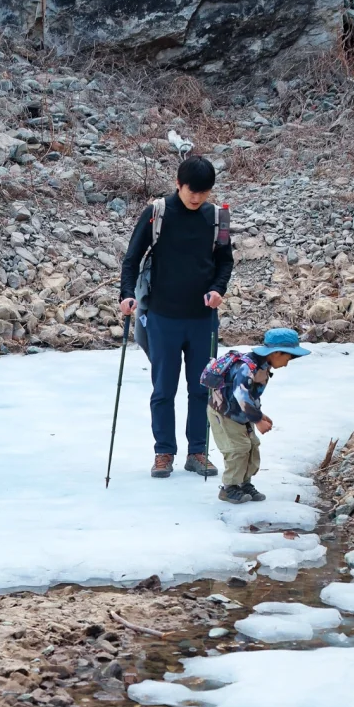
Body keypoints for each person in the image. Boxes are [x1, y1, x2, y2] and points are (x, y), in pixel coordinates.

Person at [118, 156, 234, 479]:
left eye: (203, 193)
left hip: (202, 318)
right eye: (191, 191)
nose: (197, 198)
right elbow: (131, 259)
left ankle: (197, 451)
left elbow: (225, 262)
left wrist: (218, 288)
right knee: (163, 389)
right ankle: (163, 453)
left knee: (202, 389)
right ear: (178, 184)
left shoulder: (216, 218)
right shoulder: (158, 213)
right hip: (162, 316)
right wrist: (127, 295)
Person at [204, 327, 310, 504]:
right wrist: (258, 419)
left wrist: (260, 414)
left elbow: (251, 395)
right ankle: (229, 487)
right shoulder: (248, 367)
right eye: (287, 357)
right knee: (237, 449)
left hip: (241, 413)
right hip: (224, 413)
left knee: (252, 445)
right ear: (276, 353)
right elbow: (240, 394)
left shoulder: (263, 366)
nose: (287, 363)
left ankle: (244, 483)